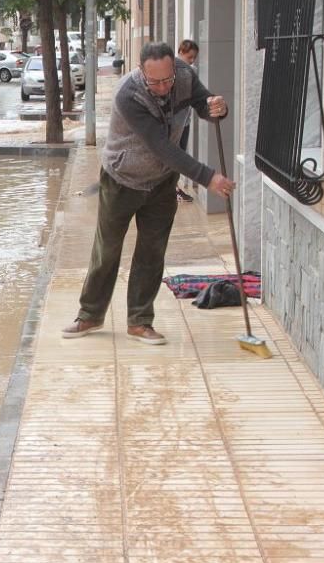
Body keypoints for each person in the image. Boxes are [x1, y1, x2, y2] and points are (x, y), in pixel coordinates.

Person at [61, 41, 234, 345]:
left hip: (162, 183)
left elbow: (203, 102)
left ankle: (140, 321)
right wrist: (207, 177)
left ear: (174, 68)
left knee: (152, 253)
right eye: (155, 81)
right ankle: (89, 314)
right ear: (141, 72)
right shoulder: (129, 94)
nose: (164, 87)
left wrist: (216, 107)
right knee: (107, 250)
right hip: (121, 179)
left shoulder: (184, 75)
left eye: (167, 79)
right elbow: (162, 146)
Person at [175, 39, 200, 202]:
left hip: (186, 122)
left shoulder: (192, 71)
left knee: (180, 156)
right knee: (173, 157)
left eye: (194, 58)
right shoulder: (171, 70)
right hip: (173, 124)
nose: (192, 61)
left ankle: (174, 188)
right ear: (181, 52)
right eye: (189, 57)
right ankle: (173, 189)